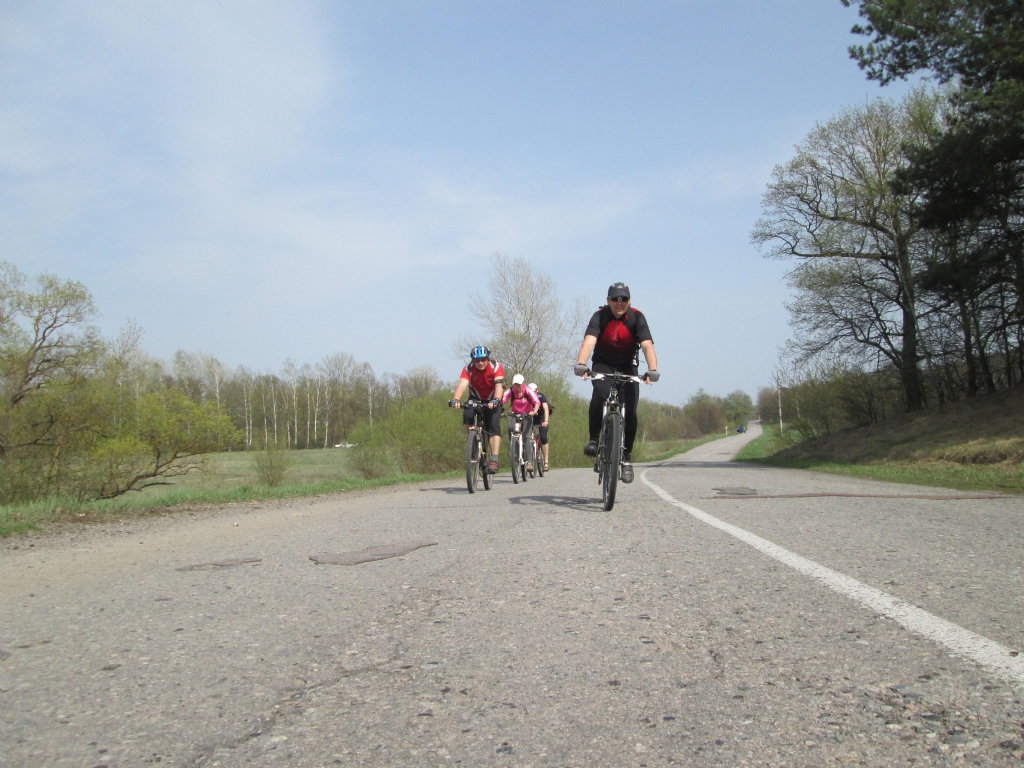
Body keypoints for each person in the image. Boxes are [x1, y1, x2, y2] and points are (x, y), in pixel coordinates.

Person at [573, 282, 660, 483]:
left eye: (624, 299)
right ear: (608, 300)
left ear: (629, 300)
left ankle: (626, 457)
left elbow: (647, 346)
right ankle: (594, 439)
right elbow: (589, 342)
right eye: (615, 299)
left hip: (628, 365)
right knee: (599, 395)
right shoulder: (599, 316)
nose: (619, 303)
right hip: (603, 363)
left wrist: (653, 369)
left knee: (631, 410)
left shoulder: (637, 317)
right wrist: (581, 364)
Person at [450, 345, 505, 473]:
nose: (480, 363)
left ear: (488, 358)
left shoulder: (496, 366)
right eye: (477, 360)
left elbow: (499, 385)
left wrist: (496, 399)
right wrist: (456, 399)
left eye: (483, 360)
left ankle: (494, 460)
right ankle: (473, 443)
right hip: (475, 397)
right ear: (472, 361)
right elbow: (462, 385)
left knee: (493, 426)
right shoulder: (468, 368)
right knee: (467, 415)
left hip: (493, 399)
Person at [502, 374, 541, 463]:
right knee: (511, 429)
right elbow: (503, 399)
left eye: (519, 384)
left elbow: (536, 401)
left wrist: (534, 411)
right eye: (515, 384)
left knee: (526, 436)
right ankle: (515, 448)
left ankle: (529, 461)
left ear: (523, 383)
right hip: (515, 414)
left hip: (527, 414)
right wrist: (499, 410)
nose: (517, 386)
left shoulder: (528, 390)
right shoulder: (511, 391)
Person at [527, 382, 551, 471]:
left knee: (543, 438)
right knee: (526, 436)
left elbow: (546, 409)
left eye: (533, 391)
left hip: (541, 417)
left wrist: (546, 421)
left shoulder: (541, 396)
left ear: (537, 391)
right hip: (531, 416)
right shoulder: (526, 396)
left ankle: (546, 461)